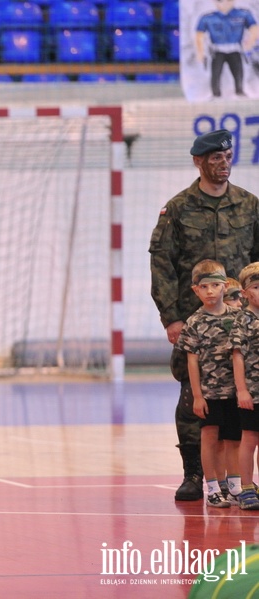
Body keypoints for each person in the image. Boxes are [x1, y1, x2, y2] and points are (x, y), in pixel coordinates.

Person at [149, 128, 259, 502]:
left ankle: (238, 479)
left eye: (227, 157)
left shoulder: (249, 205)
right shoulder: (178, 209)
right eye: (215, 158)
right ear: (199, 161)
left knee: (243, 399)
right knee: (194, 398)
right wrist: (172, 318)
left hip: (242, 323)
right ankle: (195, 474)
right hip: (195, 322)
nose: (223, 163)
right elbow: (162, 266)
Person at [177, 259, 242, 508]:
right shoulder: (194, 322)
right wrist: (197, 395)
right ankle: (213, 488)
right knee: (209, 438)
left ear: (225, 286)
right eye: (204, 287)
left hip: (236, 392)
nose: (211, 291)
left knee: (234, 439)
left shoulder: (239, 317)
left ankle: (235, 486)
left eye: (216, 285)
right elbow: (192, 363)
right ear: (196, 290)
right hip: (209, 392)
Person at [233, 262, 259, 509]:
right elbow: (237, 355)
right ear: (245, 293)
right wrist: (242, 389)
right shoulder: (244, 319)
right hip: (253, 392)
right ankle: (247, 488)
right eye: (257, 287)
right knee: (249, 439)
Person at [195, 0, 259, 98]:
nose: (224, 3)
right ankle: (215, 93)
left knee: (238, 71)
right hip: (217, 50)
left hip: (235, 48)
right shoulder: (208, 18)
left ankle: (240, 91)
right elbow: (199, 35)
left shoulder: (242, 14)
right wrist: (200, 52)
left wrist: (249, 44)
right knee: (216, 73)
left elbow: (254, 29)